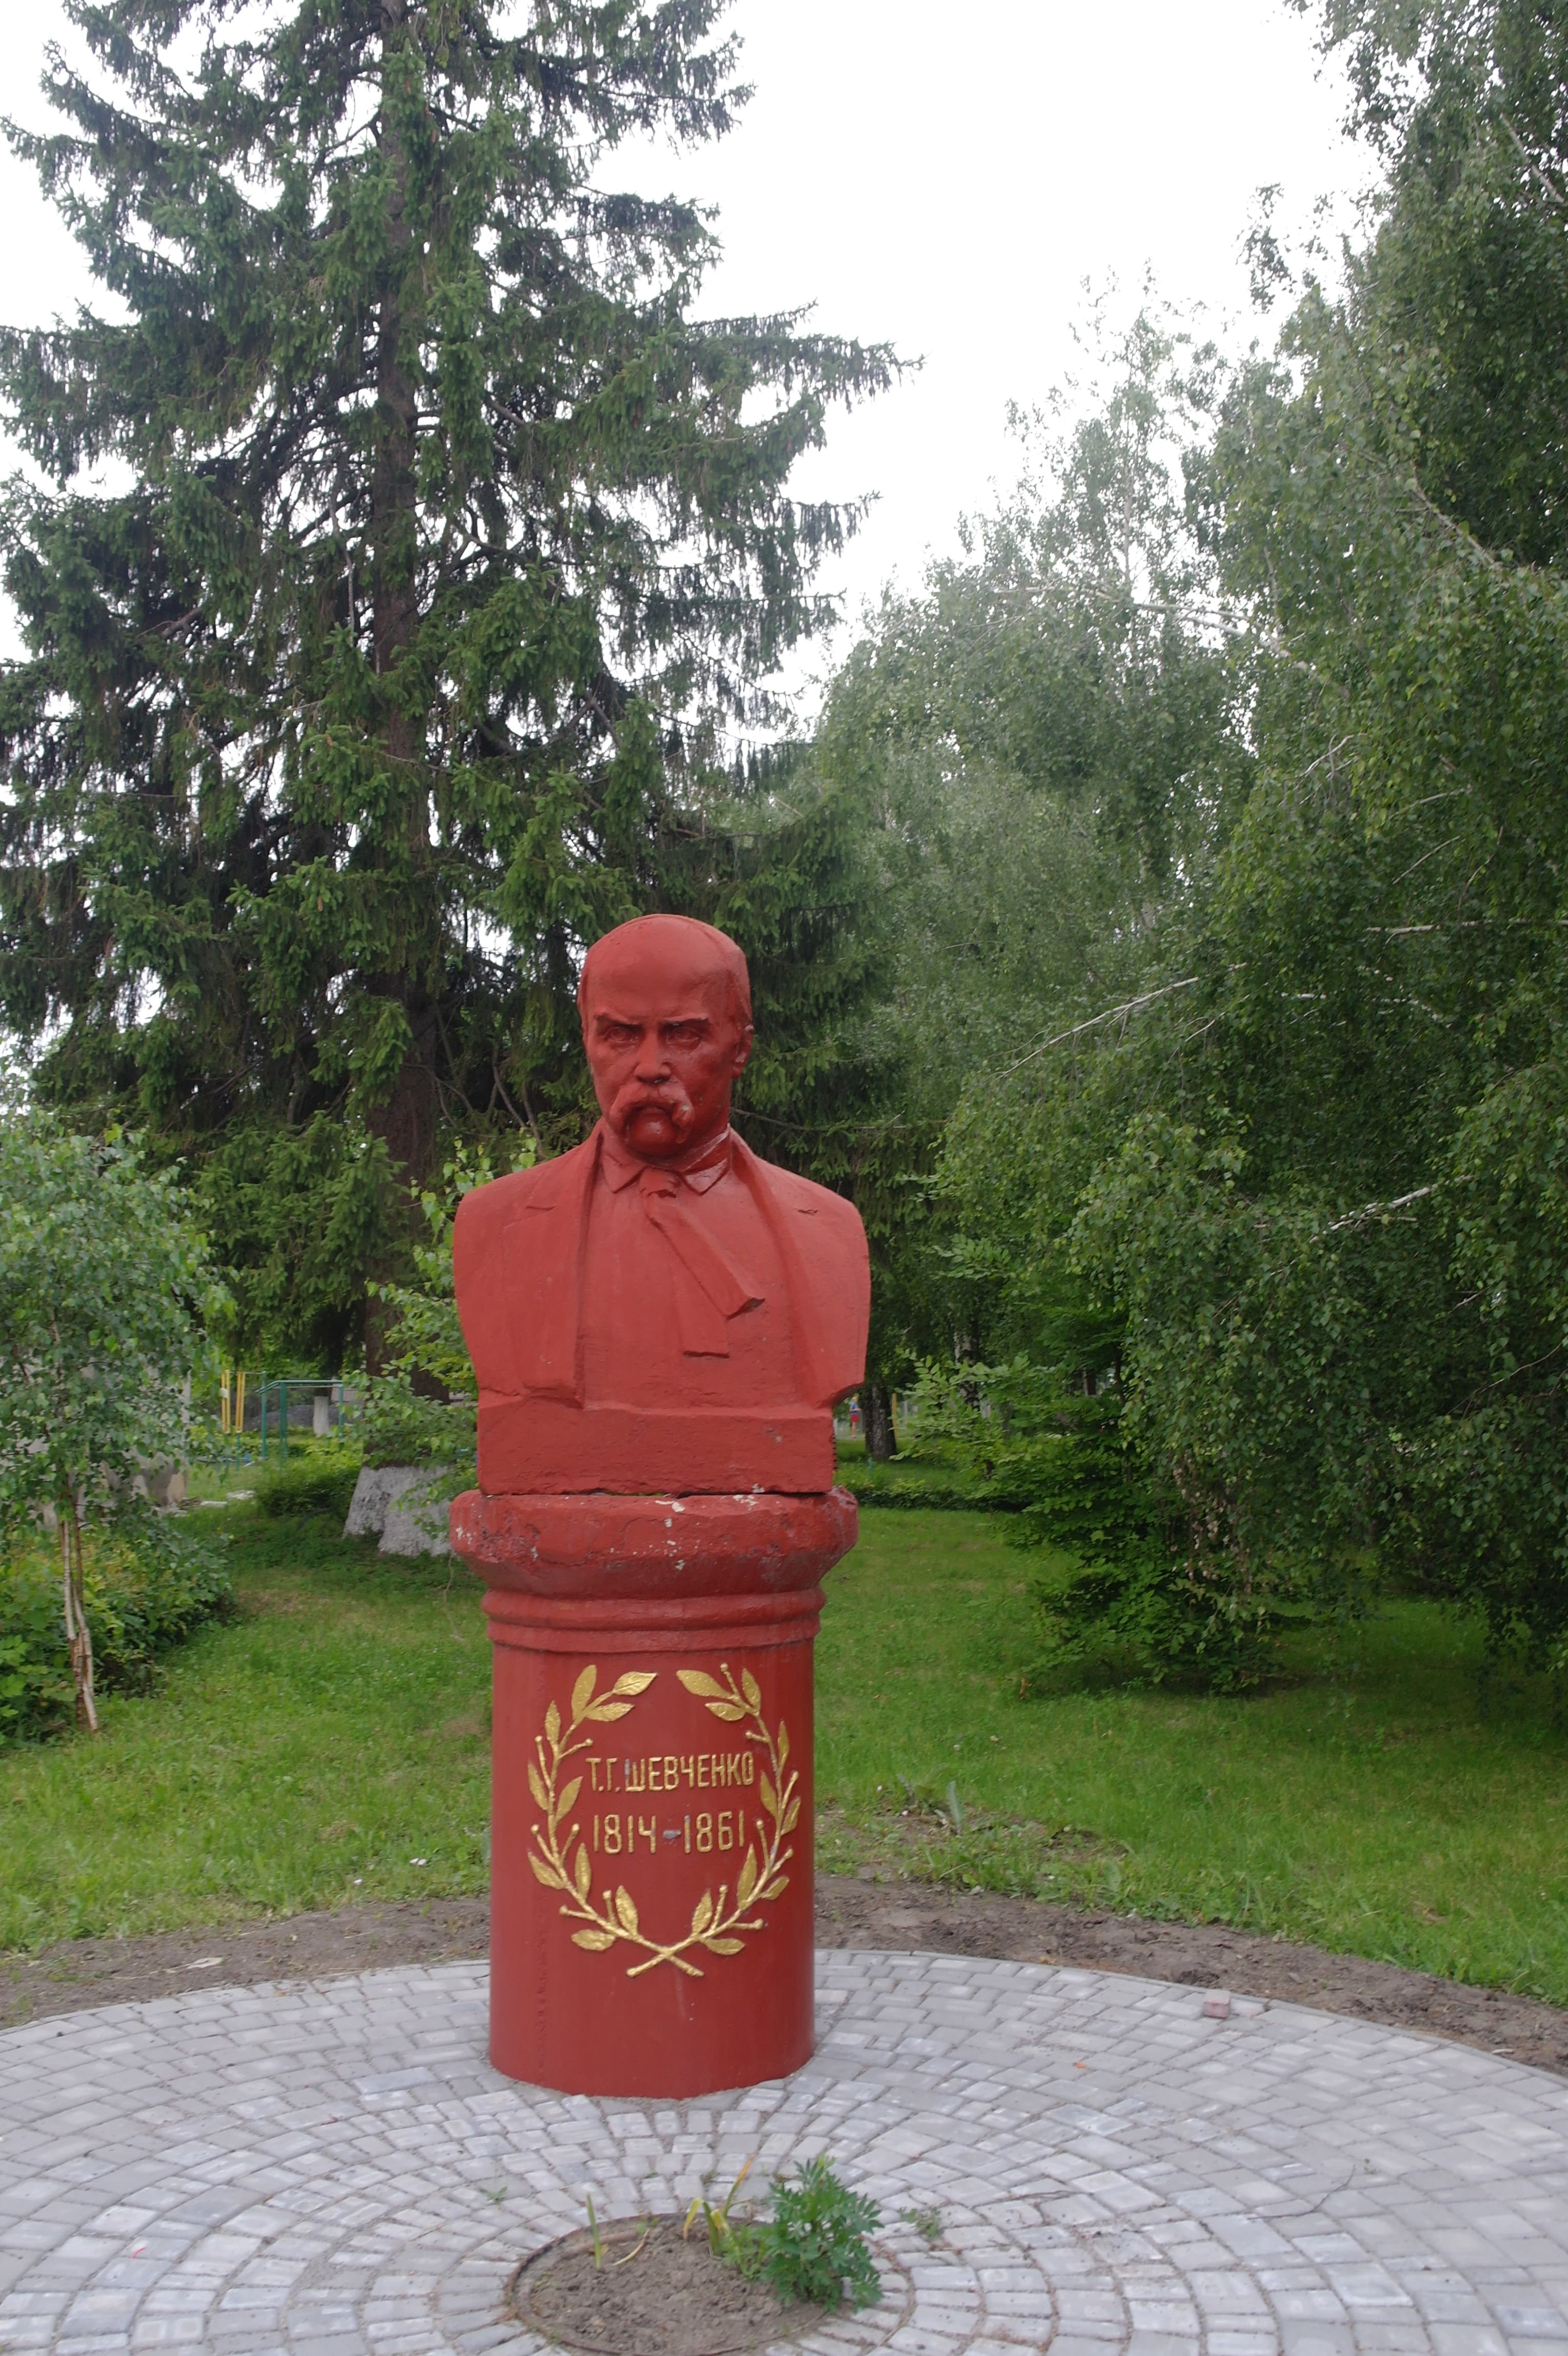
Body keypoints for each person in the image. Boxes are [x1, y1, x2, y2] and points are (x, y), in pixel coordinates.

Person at [454, 914, 869, 1495]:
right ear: (588, 1040)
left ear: (740, 1047)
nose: (649, 1066)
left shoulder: (829, 1232)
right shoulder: (493, 1225)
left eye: (683, 1034)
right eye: (621, 1034)